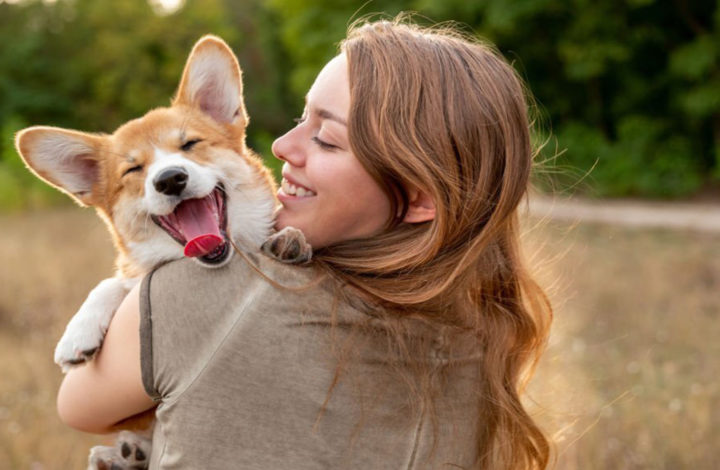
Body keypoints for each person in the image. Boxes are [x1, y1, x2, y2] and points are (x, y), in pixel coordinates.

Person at [57, 18, 552, 469]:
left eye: (327, 139)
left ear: (419, 196)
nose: (279, 147)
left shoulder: (198, 295)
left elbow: (77, 406)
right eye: (302, 118)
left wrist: (124, 298)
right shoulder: (483, 333)